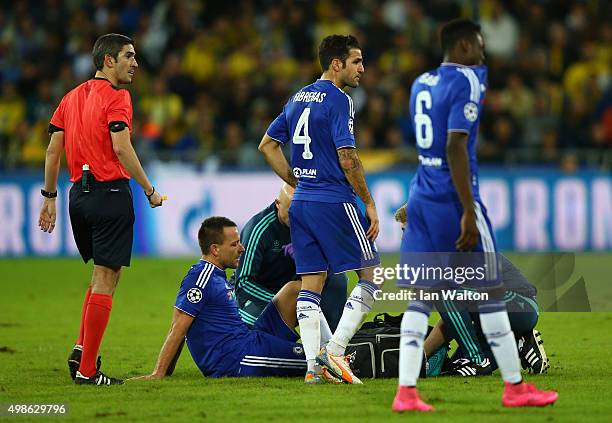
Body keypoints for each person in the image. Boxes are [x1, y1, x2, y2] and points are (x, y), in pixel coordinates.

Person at [392, 19, 557, 411]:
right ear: (464, 45)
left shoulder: (420, 83)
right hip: (453, 199)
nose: (485, 53)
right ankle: (515, 388)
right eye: (480, 45)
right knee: (492, 294)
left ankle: (406, 392)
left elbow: (428, 148)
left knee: (420, 300)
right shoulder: (468, 80)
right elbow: (455, 146)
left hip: (421, 196)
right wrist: (468, 209)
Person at [38, 33, 164, 386]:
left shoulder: (70, 97)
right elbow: (122, 149)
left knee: (101, 277)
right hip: (109, 193)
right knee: (107, 278)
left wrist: (49, 196)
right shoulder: (118, 97)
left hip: (78, 195)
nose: (135, 63)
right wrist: (149, 190)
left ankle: (82, 349)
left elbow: (52, 150)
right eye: (129, 56)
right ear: (109, 60)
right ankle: (88, 369)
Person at [259, 34, 381, 384]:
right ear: (336, 64)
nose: (362, 68)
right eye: (356, 61)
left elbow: (267, 145)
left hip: (302, 204)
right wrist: (369, 203)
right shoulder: (340, 100)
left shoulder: (297, 98)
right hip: (333, 201)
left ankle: (314, 367)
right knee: (371, 275)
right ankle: (336, 349)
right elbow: (348, 157)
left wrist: (295, 182)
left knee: (311, 283)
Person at [131, 217, 338, 381]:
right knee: (320, 360)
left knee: (295, 289)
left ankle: (331, 346)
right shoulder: (202, 279)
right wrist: (159, 373)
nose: (242, 248)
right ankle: (344, 356)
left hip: (249, 340)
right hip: (238, 359)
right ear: (215, 249)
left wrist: (166, 371)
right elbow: (178, 328)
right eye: (235, 244)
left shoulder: (216, 274)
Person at [394, 204, 550, 377]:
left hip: (519, 304)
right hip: (501, 313)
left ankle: (478, 359)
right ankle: (519, 340)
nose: (403, 238)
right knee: (452, 368)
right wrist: (420, 357)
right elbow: (453, 318)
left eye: (405, 231)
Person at [233, 183, 348, 331]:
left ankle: (332, 345)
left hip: (297, 290)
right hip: (262, 295)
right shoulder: (258, 229)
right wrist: (281, 301)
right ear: (277, 203)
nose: (296, 218)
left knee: (337, 278)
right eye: (291, 212)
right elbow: (243, 283)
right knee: (256, 336)